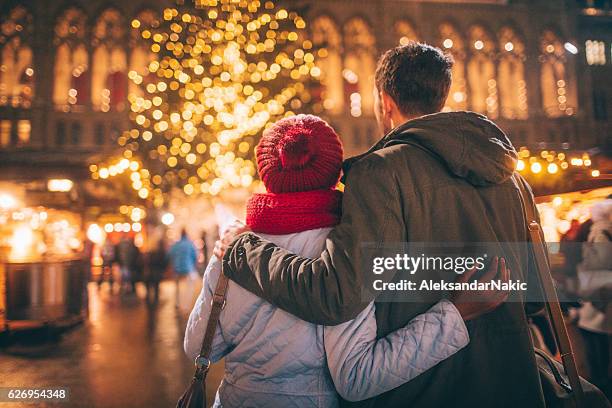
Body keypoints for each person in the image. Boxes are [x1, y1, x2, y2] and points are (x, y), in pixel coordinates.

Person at [217, 43, 545, 407]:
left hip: (426, 391)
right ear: (442, 95)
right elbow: (536, 299)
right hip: (510, 384)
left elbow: (336, 297)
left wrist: (242, 249)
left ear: (385, 102)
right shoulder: (512, 179)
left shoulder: (380, 173)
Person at [185, 115, 509, 407]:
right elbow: (357, 377)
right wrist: (453, 314)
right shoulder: (341, 250)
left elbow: (200, 348)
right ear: (333, 172)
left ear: (268, 172)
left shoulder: (233, 245)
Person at [577, 198, 612, 398]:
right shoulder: (602, 232)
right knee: (600, 356)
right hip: (600, 306)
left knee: (597, 357)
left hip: (596, 307)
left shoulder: (598, 231)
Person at [169, 229, 198, 310]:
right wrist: (193, 265)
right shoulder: (190, 244)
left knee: (177, 287)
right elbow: (195, 256)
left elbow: (169, 254)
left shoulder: (176, 244)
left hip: (177, 268)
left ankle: (177, 303)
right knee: (189, 287)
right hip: (188, 268)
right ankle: (186, 305)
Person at [146, 239, 167, 304]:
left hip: (151, 271)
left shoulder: (152, 252)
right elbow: (163, 262)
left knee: (150, 285)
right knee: (156, 286)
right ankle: (155, 300)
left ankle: (149, 299)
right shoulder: (162, 252)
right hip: (157, 271)